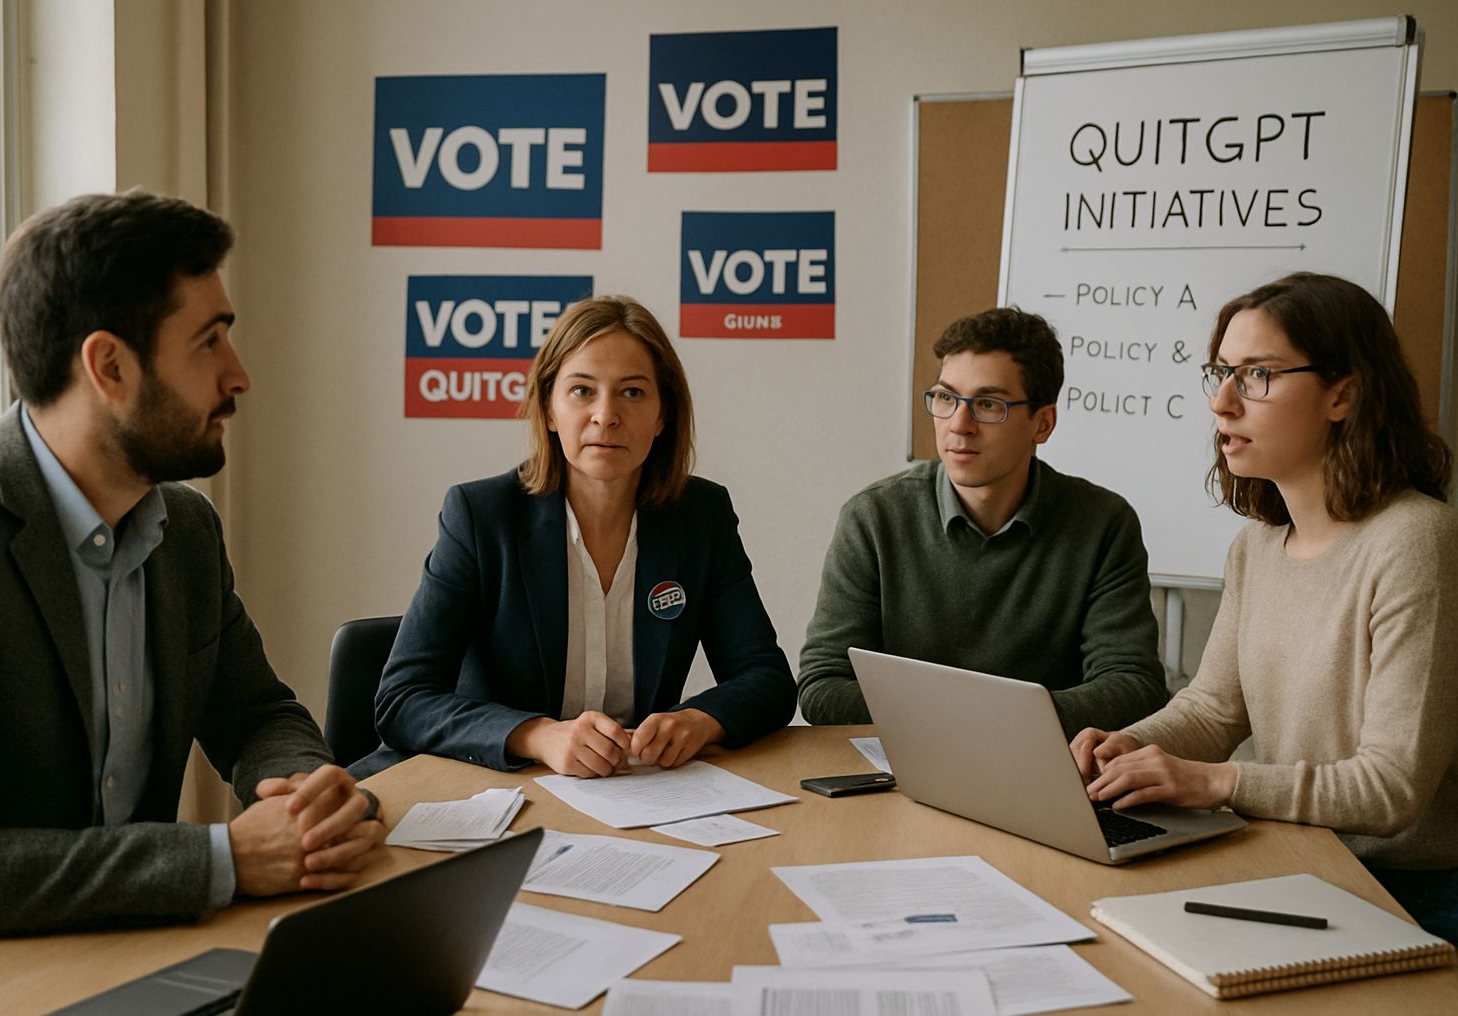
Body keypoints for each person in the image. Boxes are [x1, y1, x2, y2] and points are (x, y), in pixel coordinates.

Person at [0, 191, 386, 962]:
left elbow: (258, 713)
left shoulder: (186, 530)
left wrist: (305, 791)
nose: (239, 376)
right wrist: (222, 861)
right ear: (109, 366)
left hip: (140, 951)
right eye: (209, 343)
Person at [1074, 272, 1458, 942]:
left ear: (1343, 394)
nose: (1222, 402)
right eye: (1221, 372)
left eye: (1257, 375)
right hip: (1298, 864)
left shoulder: (1417, 540)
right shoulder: (1255, 547)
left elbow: (1392, 787)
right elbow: (1214, 708)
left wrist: (1215, 784)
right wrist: (1132, 746)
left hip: (1407, 897)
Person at [374, 295, 795, 777]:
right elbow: (403, 699)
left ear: (663, 416)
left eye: (632, 393)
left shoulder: (700, 516)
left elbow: (767, 678)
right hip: (498, 787)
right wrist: (536, 734)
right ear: (549, 410)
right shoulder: (481, 516)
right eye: (581, 391)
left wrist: (701, 720)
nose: (605, 415)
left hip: (635, 792)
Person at [797, 306, 1167, 737]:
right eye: (946, 398)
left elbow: (1134, 686)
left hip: (1038, 767)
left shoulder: (1103, 523)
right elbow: (822, 686)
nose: (959, 425)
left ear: (1042, 423)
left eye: (988, 404)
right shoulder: (874, 518)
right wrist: (980, 719)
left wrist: (984, 722)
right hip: (906, 767)